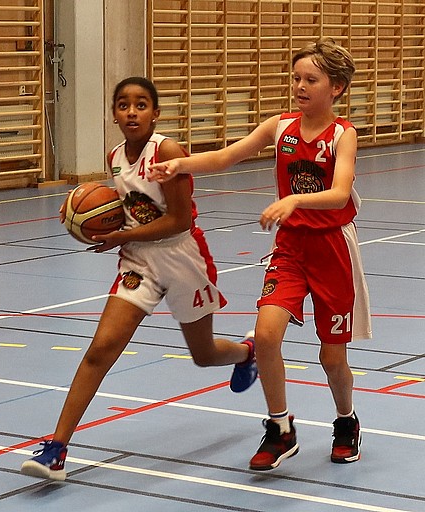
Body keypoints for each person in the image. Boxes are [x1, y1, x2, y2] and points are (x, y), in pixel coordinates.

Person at [149, 38, 372, 469]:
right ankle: (280, 428)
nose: (300, 86)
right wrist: (180, 165)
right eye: (296, 78)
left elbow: (340, 192)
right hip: (290, 248)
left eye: (311, 80)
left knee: (332, 358)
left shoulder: (343, 135)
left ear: (337, 87)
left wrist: (295, 200)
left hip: (333, 251)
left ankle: (346, 420)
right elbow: (226, 157)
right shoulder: (280, 126)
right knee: (266, 337)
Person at [20, 77, 257, 481]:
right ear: (114, 114)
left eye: (141, 104)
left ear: (155, 113)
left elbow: (178, 220)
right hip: (138, 262)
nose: (132, 112)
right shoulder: (115, 156)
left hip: (184, 257)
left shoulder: (167, 151)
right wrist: (80, 212)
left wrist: (119, 236)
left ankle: (247, 353)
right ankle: (56, 449)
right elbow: (126, 203)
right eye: (123, 105)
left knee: (203, 355)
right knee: (100, 350)